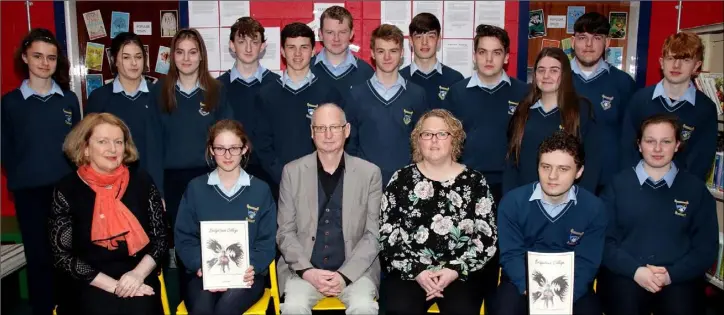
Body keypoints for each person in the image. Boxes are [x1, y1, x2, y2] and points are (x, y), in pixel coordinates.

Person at [442, 23, 528, 312]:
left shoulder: (524, 92)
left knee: (504, 250)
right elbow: (446, 143)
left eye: (496, 53)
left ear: (506, 57)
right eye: (482, 52)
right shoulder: (457, 93)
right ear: (474, 55)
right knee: (471, 250)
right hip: (467, 187)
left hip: (510, 185)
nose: (489, 59)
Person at [379, 109, 498, 315]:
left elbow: (486, 239)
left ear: (455, 139)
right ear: (418, 141)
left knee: (460, 310)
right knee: (399, 308)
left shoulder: (475, 182)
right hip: (410, 272)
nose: (434, 140)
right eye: (427, 134)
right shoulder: (401, 179)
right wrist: (417, 271)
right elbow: (387, 235)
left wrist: (454, 270)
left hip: (459, 273)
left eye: (442, 134)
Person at [599, 114, 719, 315]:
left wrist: (671, 275)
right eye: (650, 141)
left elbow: (706, 248)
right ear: (639, 145)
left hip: (678, 277)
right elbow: (603, 240)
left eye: (666, 142)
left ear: (677, 144)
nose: (657, 149)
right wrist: (636, 271)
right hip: (627, 273)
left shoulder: (696, 190)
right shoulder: (617, 185)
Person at [49, 113, 168, 315]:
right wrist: (114, 286)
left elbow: (161, 240)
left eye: (118, 142)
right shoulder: (67, 189)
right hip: (87, 279)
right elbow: (62, 256)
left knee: (142, 309)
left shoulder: (142, 181)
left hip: (136, 272)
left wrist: (137, 276)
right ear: (85, 149)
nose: (112, 149)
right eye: (103, 142)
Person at [148, 28, 234, 300]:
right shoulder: (159, 91)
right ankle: (188, 300)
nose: (186, 58)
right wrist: (158, 191)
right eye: (180, 52)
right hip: (172, 182)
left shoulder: (217, 91)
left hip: (209, 179)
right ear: (172, 56)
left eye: (192, 52)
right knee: (184, 245)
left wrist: (226, 180)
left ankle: (217, 298)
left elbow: (227, 138)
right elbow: (153, 146)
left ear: (201, 57)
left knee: (212, 242)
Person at [1, 28, 81, 315]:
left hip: (66, 193)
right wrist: (24, 174)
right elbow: (5, 149)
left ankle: (68, 308)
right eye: (37, 56)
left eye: (50, 57)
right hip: (29, 193)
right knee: (39, 257)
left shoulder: (68, 100)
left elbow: (78, 147)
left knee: (67, 255)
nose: (45, 63)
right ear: (25, 57)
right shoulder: (10, 103)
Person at [276, 103, 382, 314]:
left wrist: (345, 276)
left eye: (334, 127)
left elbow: (374, 234)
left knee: (364, 307)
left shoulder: (369, 173)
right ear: (312, 132)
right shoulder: (292, 172)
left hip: (356, 273)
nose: (328, 134)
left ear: (347, 130)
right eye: (320, 128)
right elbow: (285, 233)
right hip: (303, 272)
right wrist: (308, 271)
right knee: (293, 307)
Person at [496, 131, 606, 315]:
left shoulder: (594, 208)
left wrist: (562, 298)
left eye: (563, 169)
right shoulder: (512, 202)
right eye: (546, 167)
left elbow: (587, 262)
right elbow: (511, 255)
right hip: (521, 281)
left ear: (579, 171)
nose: (552, 176)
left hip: (570, 284)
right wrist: (531, 291)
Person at [175, 119, 277, 315]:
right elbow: (184, 238)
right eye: (220, 148)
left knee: (225, 309)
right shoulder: (195, 188)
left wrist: (251, 266)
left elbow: (267, 241)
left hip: (248, 276)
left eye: (234, 148)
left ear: (245, 149)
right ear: (211, 150)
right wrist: (200, 265)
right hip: (203, 274)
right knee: (202, 308)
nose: (227, 155)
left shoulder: (260, 190)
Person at [254, 22, 344, 187]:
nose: (297, 54)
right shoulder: (266, 95)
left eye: (303, 47)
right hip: (278, 184)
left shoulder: (328, 93)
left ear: (313, 51)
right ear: (282, 51)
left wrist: (322, 174)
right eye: (291, 47)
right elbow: (262, 144)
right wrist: (282, 176)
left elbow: (336, 139)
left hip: (320, 183)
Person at [620, 32, 717, 181]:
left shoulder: (705, 108)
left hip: (681, 192)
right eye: (670, 58)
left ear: (696, 66)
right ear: (661, 62)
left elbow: (701, 160)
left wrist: (685, 191)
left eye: (685, 59)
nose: (676, 65)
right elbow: (627, 150)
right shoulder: (639, 100)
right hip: (639, 186)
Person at [503, 47, 601, 194]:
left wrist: (580, 201)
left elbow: (592, 162)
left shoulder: (581, 110)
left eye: (554, 70)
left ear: (565, 74)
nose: (546, 76)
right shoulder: (523, 111)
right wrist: (510, 199)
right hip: (525, 200)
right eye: (541, 70)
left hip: (565, 201)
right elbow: (512, 161)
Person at [345, 24, 430, 184]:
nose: (387, 57)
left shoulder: (417, 94)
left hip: (406, 183)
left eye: (393, 51)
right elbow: (350, 145)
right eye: (381, 51)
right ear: (372, 53)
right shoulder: (356, 95)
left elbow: (423, 142)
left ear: (402, 53)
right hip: (366, 183)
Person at [86, 32, 162, 191]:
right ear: (115, 60)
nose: (134, 63)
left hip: (152, 183)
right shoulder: (99, 98)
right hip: (110, 185)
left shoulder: (159, 95)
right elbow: (89, 146)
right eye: (126, 57)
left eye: (139, 57)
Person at [570, 12, 637, 190]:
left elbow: (632, 136)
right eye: (582, 37)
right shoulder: (557, 79)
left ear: (607, 43)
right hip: (563, 180)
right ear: (573, 42)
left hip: (609, 183)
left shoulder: (623, 83)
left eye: (597, 37)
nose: (589, 44)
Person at [217, 17, 280, 187]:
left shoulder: (277, 85)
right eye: (242, 41)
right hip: (227, 172)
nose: (248, 48)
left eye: (254, 41)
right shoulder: (217, 87)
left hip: (269, 175)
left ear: (263, 46)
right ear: (232, 45)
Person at [400, 13, 464, 109]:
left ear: (438, 40)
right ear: (410, 41)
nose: (424, 42)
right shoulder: (399, 79)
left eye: (431, 36)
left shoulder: (455, 80)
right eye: (418, 36)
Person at [311, 6, 374, 94]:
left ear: (351, 34)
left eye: (342, 32)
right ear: (320, 34)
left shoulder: (367, 73)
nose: (336, 39)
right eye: (330, 32)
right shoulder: (306, 69)